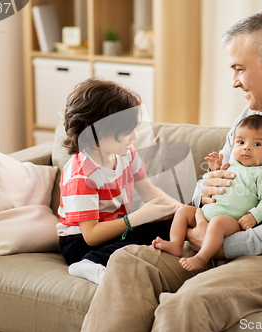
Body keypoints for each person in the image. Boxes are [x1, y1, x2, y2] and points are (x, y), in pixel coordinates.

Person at [81, 10, 262, 332]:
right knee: (128, 263)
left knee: (190, 300)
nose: (234, 82)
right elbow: (209, 186)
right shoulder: (251, 115)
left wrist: (221, 245)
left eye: (239, 69)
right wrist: (206, 189)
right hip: (226, 237)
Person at [57, 77, 182, 284]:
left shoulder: (126, 154)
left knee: (170, 224)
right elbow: (91, 235)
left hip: (117, 227)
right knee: (140, 234)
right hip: (81, 242)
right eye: (126, 132)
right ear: (98, 133)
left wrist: (182, 211)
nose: (134, 137)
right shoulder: (81, 174)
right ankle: (89, 264)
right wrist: (137, 218)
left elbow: (148, 190)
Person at [152, 114, 262, 271]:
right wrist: (215, 169)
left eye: (257, 144)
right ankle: (176, 244)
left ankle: (201, 258)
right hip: (205, 214)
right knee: (183, 210)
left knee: (217, 223)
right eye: (240, 142)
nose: (247, 147)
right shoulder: (230, 164)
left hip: (230, 221)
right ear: (233, 145)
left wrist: (254, 216)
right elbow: (214, 184)